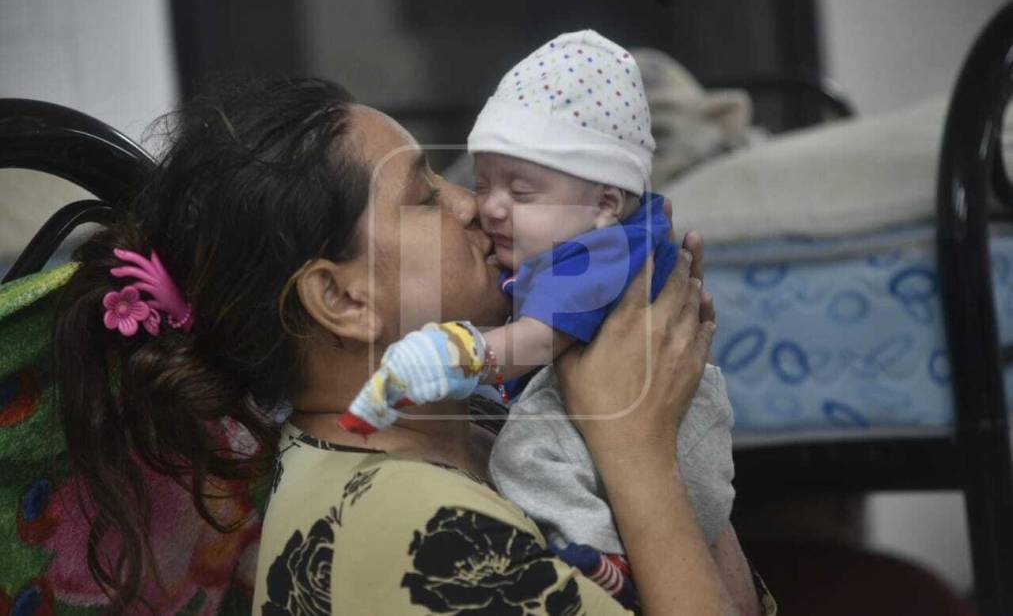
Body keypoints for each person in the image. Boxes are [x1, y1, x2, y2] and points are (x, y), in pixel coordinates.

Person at [52, 76, 772, 614]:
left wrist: (668, 417)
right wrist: (640, 452)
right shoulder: (418, 529)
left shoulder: (482, 420)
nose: (472, 206)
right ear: (342, 299)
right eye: (425, 196)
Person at [336, 31, 735, 606]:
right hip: (668, 439)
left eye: (520, 192)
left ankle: (604, 561)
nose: (483, 206)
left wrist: (459, 358)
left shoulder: (596, 258)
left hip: (677, 439)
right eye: (482, 183)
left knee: (526, 455)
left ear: (604, 204)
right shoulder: (597, 238)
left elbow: (531, 345)